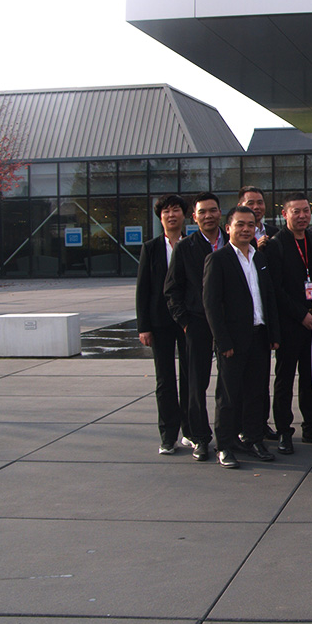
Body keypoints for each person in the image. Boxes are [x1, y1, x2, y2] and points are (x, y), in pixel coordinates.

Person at [202, 205, 282, 469]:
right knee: (228, 396)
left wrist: (273, 333)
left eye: (251, 225)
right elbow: (212, 305)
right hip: (233, 341)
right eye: (240, 224)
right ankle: (224, 445)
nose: (246, 229)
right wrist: (222, 341)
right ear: (228, 228)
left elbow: (268, 297)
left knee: (256, 393)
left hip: (259, 336)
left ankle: (253, 439)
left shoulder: (259, 258)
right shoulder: (218, 259)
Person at [163, 191, 226, 462]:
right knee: (196, 384)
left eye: (213, 210)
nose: (208, 216)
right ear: (194, 217)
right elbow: (172, 289)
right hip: (197, 323)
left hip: (230, 323)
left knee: (230, 383)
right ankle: (199, 437)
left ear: (220, 213)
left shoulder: (233, 242)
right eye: (202, 212)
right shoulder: (185, 247)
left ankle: (230, 434)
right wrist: (185, 322)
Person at [269, 192, 312, 453]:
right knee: (284, 380)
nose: (302, 216)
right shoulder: (276, 244)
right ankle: (284, 431)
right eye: (296, 211)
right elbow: (276, 289)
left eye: (306, 211)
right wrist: (300, 315)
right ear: (285, 214)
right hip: (289, 322)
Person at [136, 194, 189, 454]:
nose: (171, 215)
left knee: (191, 378)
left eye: (175, 210)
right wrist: (143, 326)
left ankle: (191, 431)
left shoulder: (192, 244)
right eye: (166, 211)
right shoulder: (151, 248)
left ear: (184, 215)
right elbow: (142, 289)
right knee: (165, 379)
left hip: (188, 321)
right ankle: (168, 436)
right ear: (160, 217)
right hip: (159, 323)